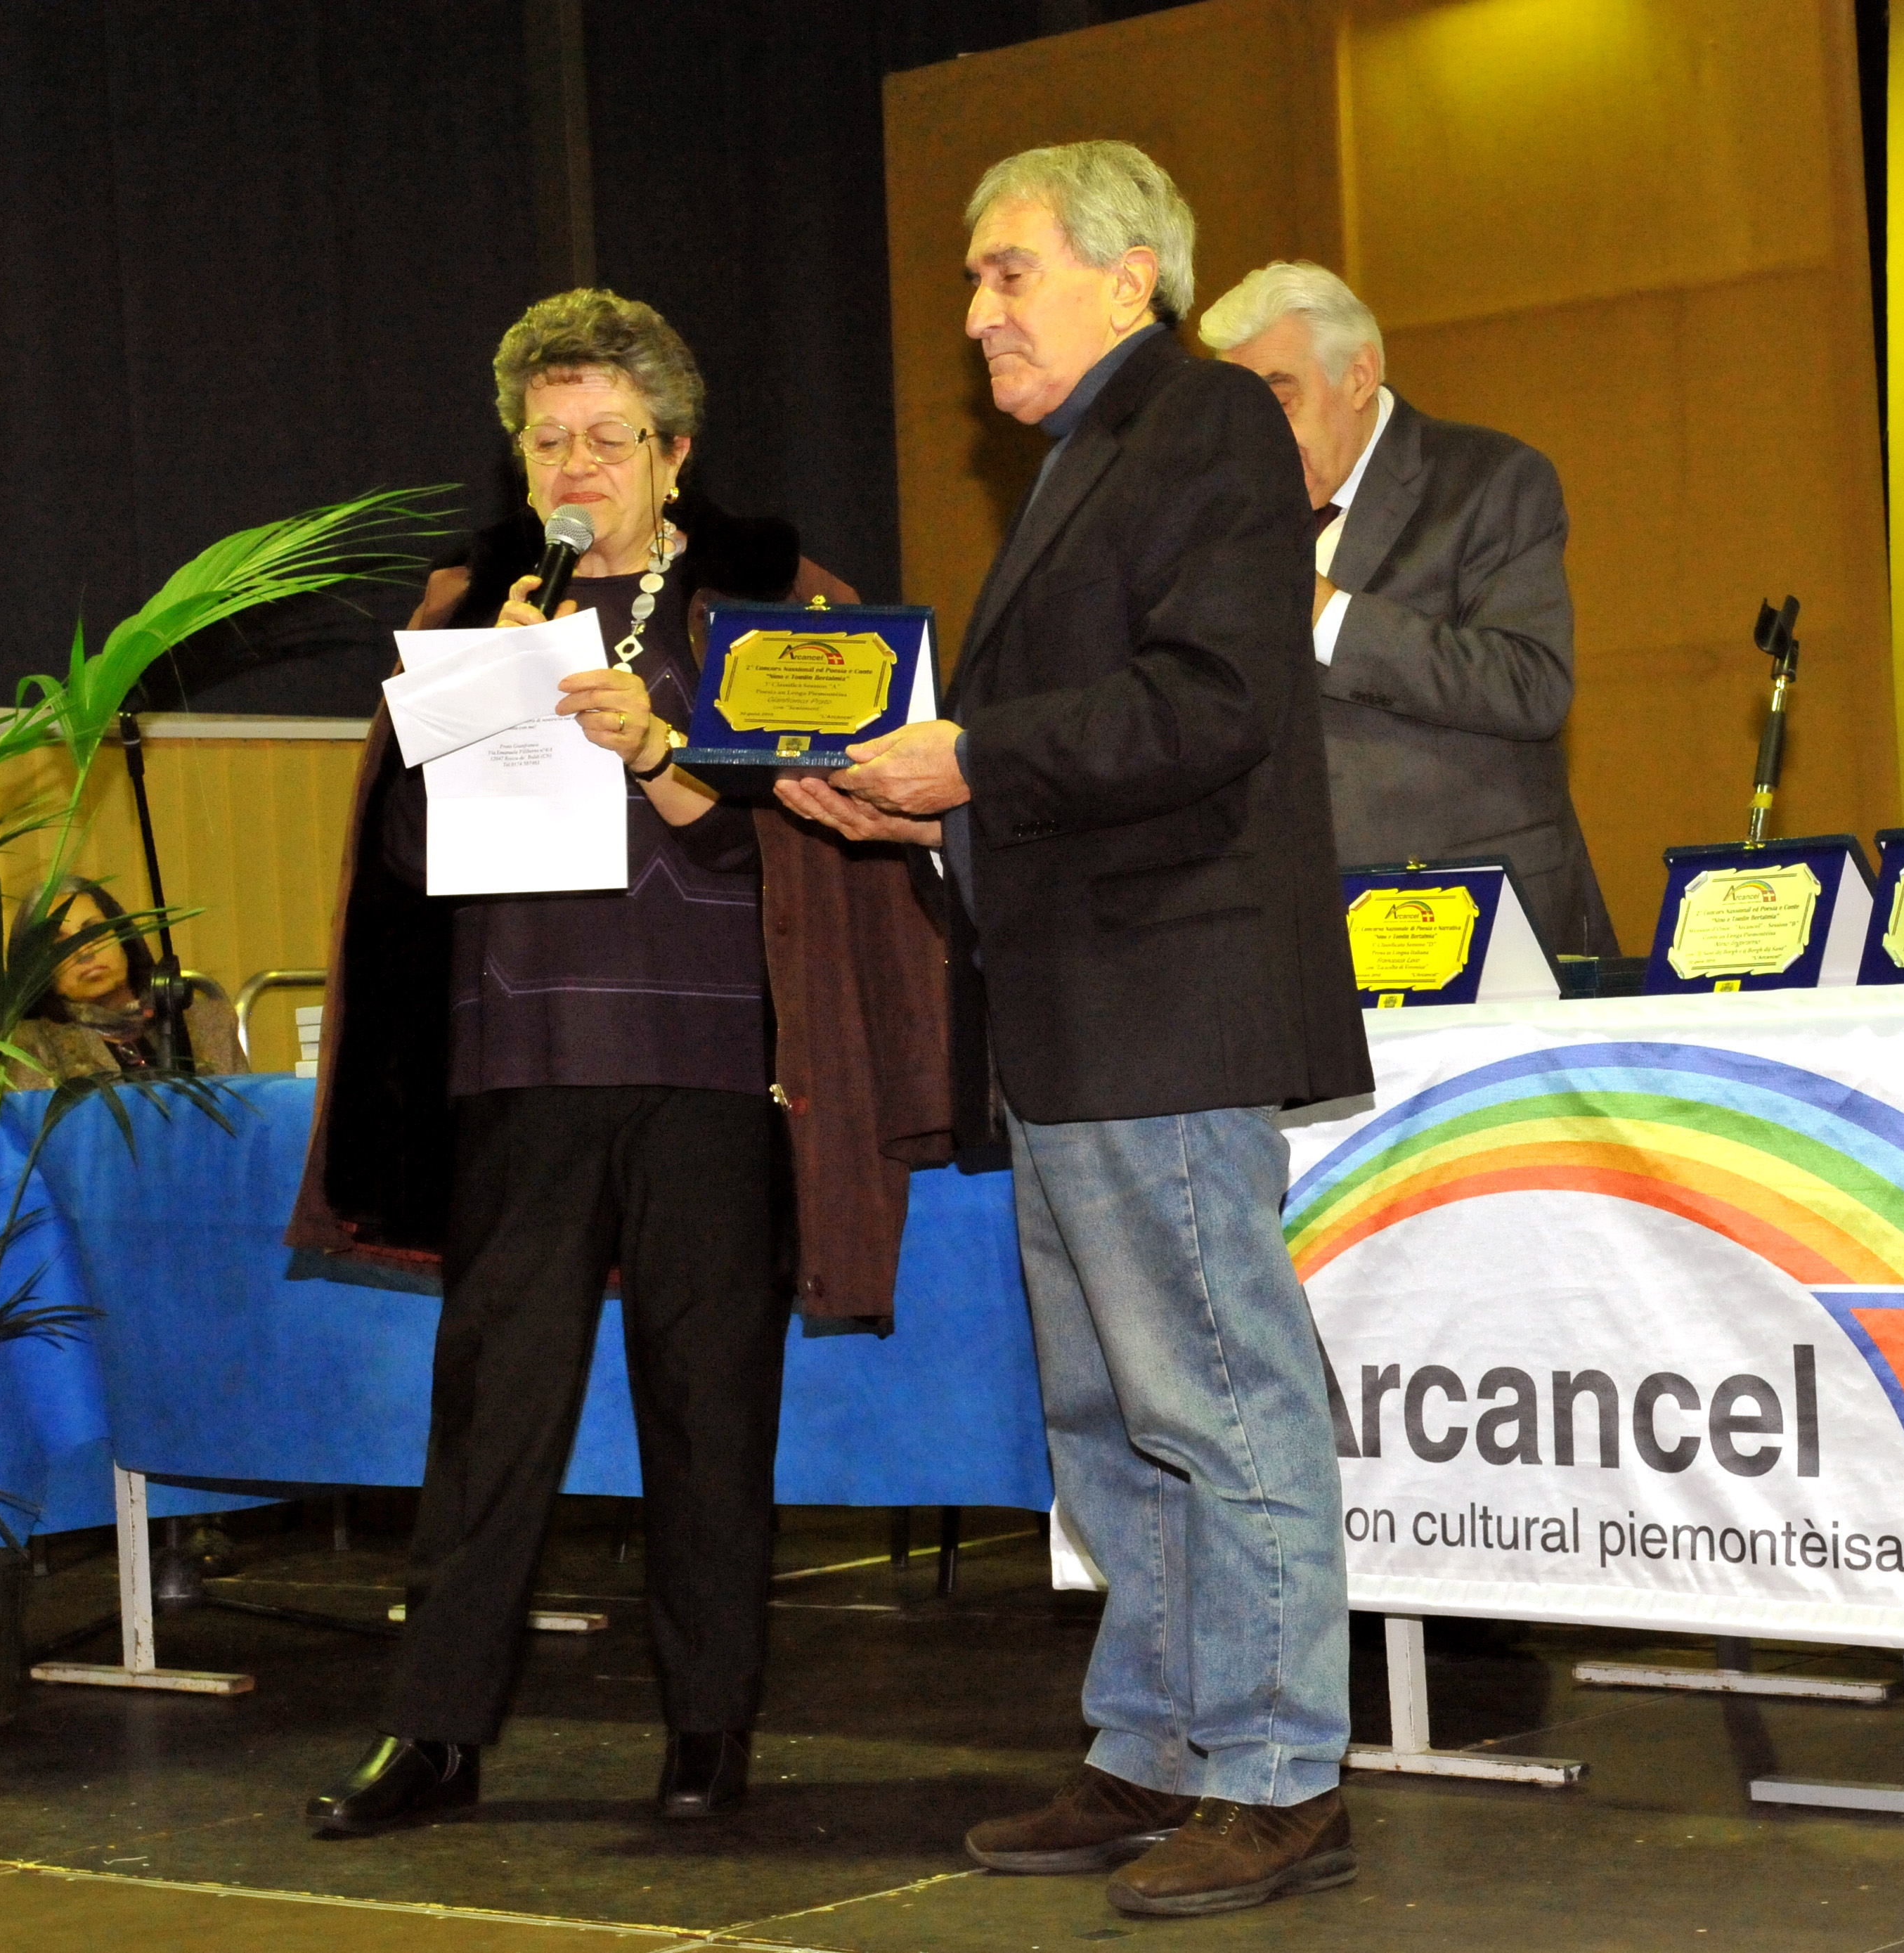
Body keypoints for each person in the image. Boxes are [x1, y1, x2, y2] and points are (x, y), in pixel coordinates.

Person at [781, 142, 1371, 1919]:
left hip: (1162, 1005)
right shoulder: (1087, 455)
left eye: (1006, 271)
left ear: (1129, 275)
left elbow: (1211, 703)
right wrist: (913, 815)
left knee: (1215, 1397)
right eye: (973, 281)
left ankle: (1276, 1771)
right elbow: (1084, 753)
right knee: (1111, 1411)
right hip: (1075, 1009)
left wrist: (968, 755)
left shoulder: (1203, 421)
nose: (975, 314)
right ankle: (1155, 1743)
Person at [288, 288, 950, 1836]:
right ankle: (434, 1733)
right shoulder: (474, 609)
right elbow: (402, 857)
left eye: (606, 438)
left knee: (709, 1403)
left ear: (673, 452)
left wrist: (659, 752)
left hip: (714, 1064)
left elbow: (824, 839)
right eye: (547, 443)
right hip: (517, 1059)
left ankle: (709, 1727)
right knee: (489, 1408)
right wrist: (469, 707)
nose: (574, 467)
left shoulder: (772, 608)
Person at [1198, 260, 1617, 958]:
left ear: (1358, 376)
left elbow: (1531, 685)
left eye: (1279, 403)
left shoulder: (1490, 481)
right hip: (1289, 937)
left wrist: (1326, 614)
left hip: (1482, 928)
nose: (1256, 442)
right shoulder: (1223, 519)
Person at [3, 879, 246, 1088]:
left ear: (124, 938)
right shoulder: (28, 1046)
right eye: (61, 946)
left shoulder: (210, 1024)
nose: (85, 952)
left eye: (95, 932)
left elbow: (246, 1121)